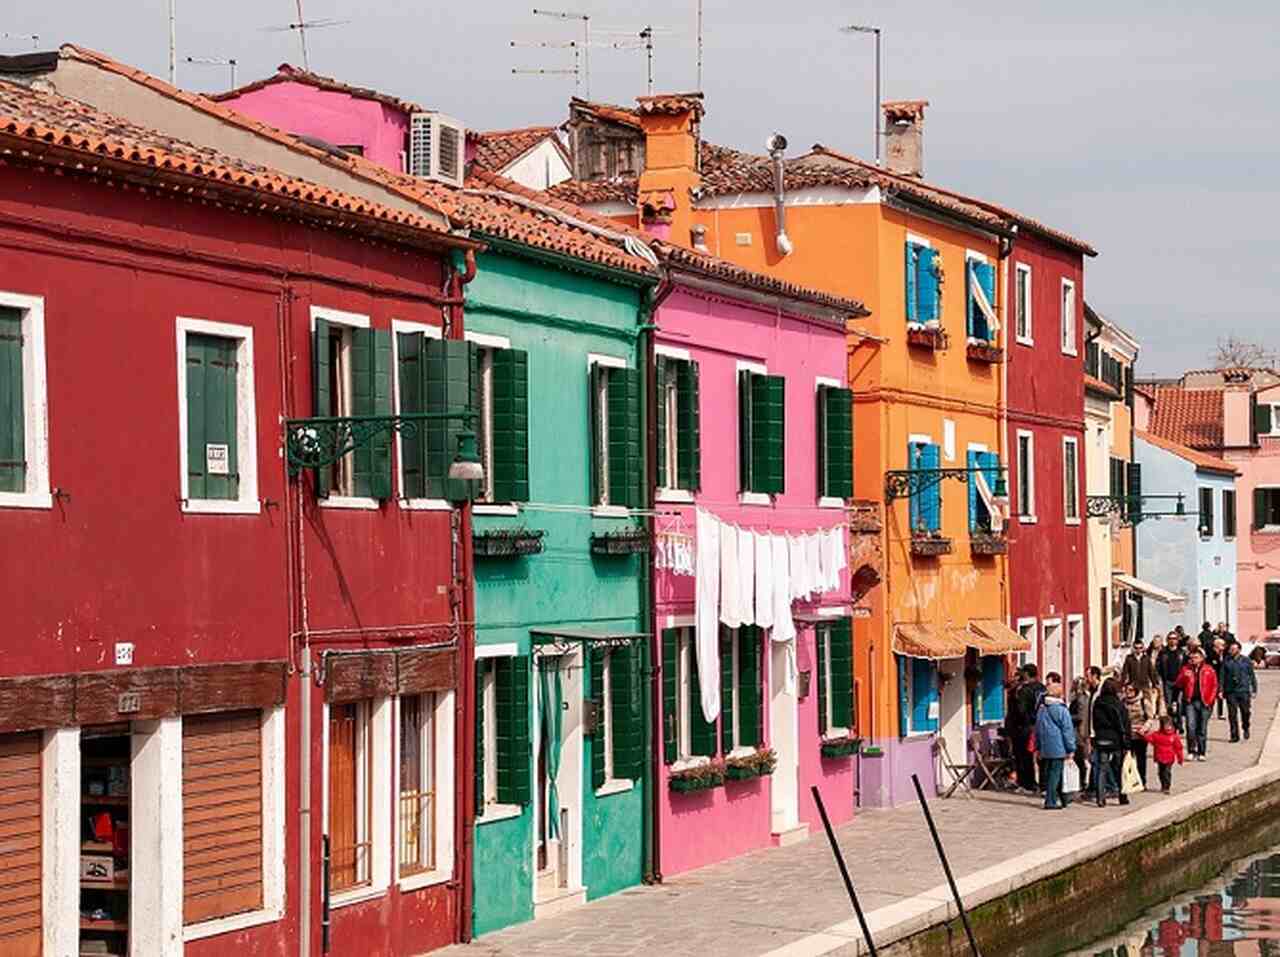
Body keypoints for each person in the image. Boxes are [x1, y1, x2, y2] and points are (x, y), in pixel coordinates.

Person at [1035, 678, 1076, 810]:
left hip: (1046, 746)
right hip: (1058, 746)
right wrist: (1071, 748)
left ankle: (1063, 799)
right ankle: (1050, 801)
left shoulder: (1042, 709)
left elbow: (1038, 729)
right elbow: (1067, 730)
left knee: (1053, 773)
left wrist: (1038, 746)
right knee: (1055, 774)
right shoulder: (1062, 710)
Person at [1091, 677, 1132, 807]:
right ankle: (1122, 796)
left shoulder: (1097, 703)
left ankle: (1100, 798)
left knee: (1102, 768)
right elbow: (1124, 724)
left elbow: (1094, 721)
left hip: (1101, 738)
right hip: (1116, 739)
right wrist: (1127, 743)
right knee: (1119, 768)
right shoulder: (1118, 704)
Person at [1176, 648, 1218, 760]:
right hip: (1190, 702)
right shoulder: (1186, 669)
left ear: (1202, 658)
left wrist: (1210, 701)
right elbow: (1178, 684)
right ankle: (1191, 750)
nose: (1193, 660)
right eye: (1191, 658)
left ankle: (1201, 752)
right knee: (1190, 726)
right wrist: (1183, 676)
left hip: (1204, 702)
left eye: (1196, 657)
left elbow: (1214, 686)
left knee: (1202, 728)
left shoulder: (1209, 670)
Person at [1013, 664, 1046, 792]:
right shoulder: (1042, 688)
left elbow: (1021, 711)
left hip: (1026, 727)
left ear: (1026, 674)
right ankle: (1042, 784)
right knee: (1041, 756)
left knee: (1024, 755)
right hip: (1042, 725)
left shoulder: (1024, 690)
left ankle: (1026, 783)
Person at [1221, 639, 1258, 742]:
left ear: (1239, 650)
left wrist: (1254, 689)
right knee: (1232, 714)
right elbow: (1222, 676)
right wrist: (1221, 689)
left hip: (1243, 690)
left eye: (1234, 649)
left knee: (1245, 712)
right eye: (1230, 649)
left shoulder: (1246, 661)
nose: (1231, 651)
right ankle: (1234, 736)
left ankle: (1246, 726)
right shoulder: (1226, 661)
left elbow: (1252, 675)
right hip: (1231, 691)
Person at [1143, 715, 1185, 794]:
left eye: (1170, 725)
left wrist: (1180, 758)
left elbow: (1178, 748)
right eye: (1166, 726)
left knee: (1167, 772)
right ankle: (1163, 785)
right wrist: (1143, 733)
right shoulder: (1157, 735)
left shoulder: (1174, 737)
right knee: (1160, 772)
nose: (1168, 728)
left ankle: (1167, 786)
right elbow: (1149, 739)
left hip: (1169, 758)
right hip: (1160, 757)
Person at [1123, 681, 1155, 786]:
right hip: (1128, 734)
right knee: (1128, 759)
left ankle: (1142, 780)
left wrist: (1144, 729)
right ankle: (1129, 780)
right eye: (1126, 690)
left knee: (1141, 759)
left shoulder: (1143, 702)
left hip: (1140, 734)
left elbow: (1150, 718)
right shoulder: (1123, 702)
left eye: (1130, 690)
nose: (1128, 692)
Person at [1158, 633, 1186, 732]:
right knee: (1169, 705)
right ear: (1167, 640)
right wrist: (1160, 679)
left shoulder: (1182, 653)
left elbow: (1186, 667)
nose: (1172, 640)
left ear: (1177, 640)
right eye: (1170, 638)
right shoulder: (1163, 652)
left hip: (1180, 682)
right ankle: (1171, 725)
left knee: (1179, 704)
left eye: (1174, 638)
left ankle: (1180, 724)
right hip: (1168, 682)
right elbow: (1158, 667)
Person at [1207, 636, 1227, 719]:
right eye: (1222, 645)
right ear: (1217, 645)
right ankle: (1209, 710)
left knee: (1220, 695)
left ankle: (1220, 713)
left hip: (1221, 678)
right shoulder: (1210, 655)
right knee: (1211, 695)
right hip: (1212, 678)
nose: (1224, 647)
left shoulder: (1224, 654)